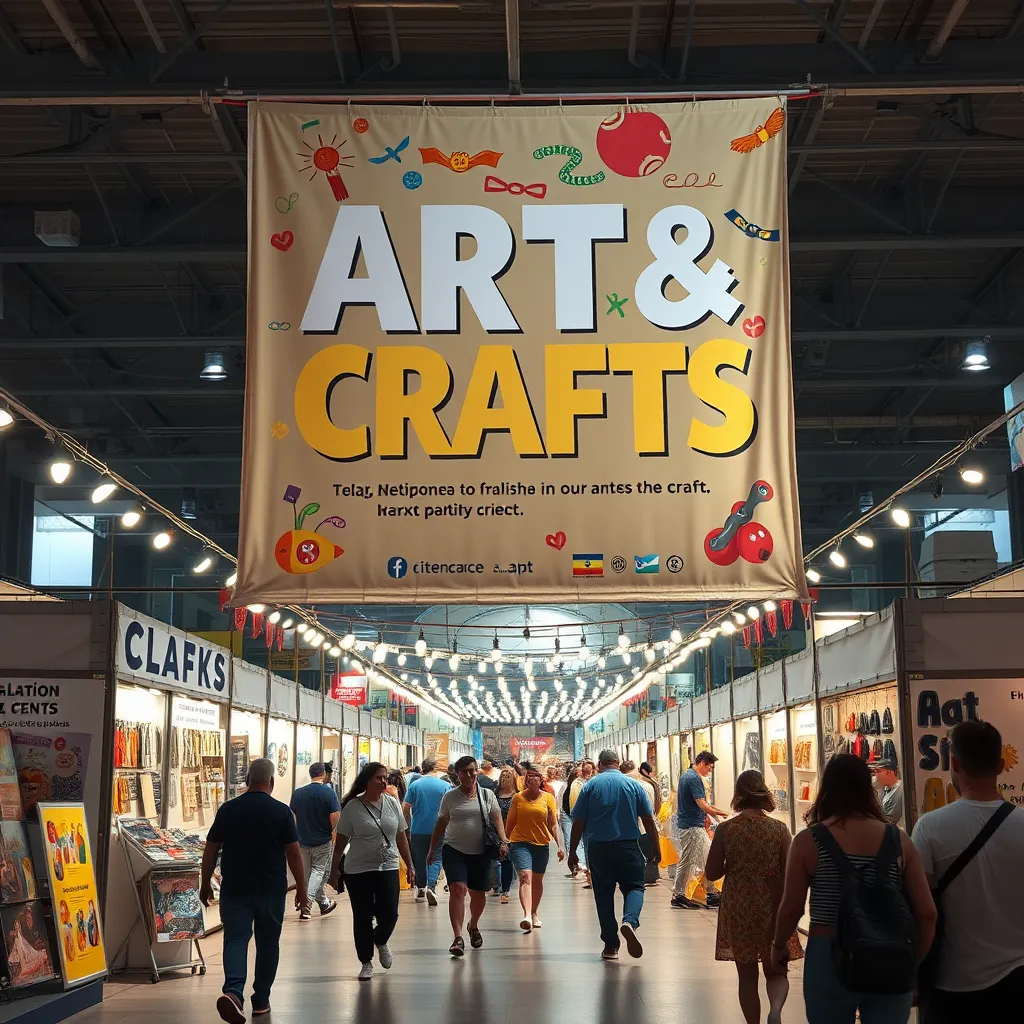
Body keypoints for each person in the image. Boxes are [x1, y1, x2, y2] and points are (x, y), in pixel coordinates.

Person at [771, 753, 936, 1024]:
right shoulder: (899, 841)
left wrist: (779, 945)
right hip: (890, 954)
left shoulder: (808, 841)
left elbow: (792, 908)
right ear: (867, 789)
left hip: (828, 953)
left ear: (827, 789)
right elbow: (927, 913)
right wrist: (914, 963)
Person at [912, 721, 1024, 1022]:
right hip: (1017, 982)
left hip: (952, 985)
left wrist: (915, 968)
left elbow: (923, 910)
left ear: (954, 763)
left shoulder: (930, 827)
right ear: (1001, 765)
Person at [201, 757, 307, 1023]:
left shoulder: (228, 809)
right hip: (271, 888)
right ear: (271, 781)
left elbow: (211, 848)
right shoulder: (281, 811)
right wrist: (302, 890)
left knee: (236, 939)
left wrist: (204, 883)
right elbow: (293, 852)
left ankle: (233, 993)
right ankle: (261, 1000)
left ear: (247, 780)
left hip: (235, 887)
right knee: (268, 943)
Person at [705, 770, 803, 1024]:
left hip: (738, 904)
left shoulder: (726, 830)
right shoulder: (779, 830)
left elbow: (712, 872)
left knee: (747, 976)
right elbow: (790, 871)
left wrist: (734, 868)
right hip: (772, 903)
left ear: (738, 795)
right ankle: (776, 1011)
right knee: (776, 969)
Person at [569, 749, 659, 961]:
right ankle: (630, 921)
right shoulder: (634, 785)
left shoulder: (590, 786)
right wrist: (656, 846)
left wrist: (573, 851)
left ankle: (611, 946)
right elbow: (648, 819)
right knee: (635, 887)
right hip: (629, 846)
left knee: (603, 895)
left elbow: (578, 821)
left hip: (599, 849)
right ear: (618, 764)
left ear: (599, 764)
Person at [330, 762, 415, 980]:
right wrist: (333, 871)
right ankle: (366, 961)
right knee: (362, 915)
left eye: (385, 777)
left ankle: (380, 939)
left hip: (388, 866)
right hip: (358, 870)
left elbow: (401, 837)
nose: (384, 781)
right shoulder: (352, 807)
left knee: (390, 914)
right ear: (367, 780)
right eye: (379, 777)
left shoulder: (393, 803)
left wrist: (410, 865)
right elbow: (340, 843)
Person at [427, 755, 510, 957]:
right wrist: (432, 848)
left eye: (473, 770)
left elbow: (497, 818)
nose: (471, 774)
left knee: (478, 895)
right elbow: (441, 824)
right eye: (466, 771)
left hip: (481, 851)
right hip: (454, 850)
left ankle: (472, 925)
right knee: (457, 889)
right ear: (458, 774)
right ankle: (457, 937)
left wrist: (504, 840)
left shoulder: (487, 794)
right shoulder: (450, 797)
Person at [507, 766, 564, 931]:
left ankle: (534, 913)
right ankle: (526, 915)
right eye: (529, 777)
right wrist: (504, 841)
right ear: (525, 782)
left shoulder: (548, 798)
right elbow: (510, 822)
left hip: (541, 844)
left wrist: (559, 845)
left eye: (535, 777)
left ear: (540, 781)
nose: (532, 780)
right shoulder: (517, 798)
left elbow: (552, 823)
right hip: (520, 842)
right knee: (525, 877)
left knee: (537, 881)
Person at [671, 751, 729, 909]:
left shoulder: (687, 776)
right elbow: (702, 804)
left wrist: (719, 812)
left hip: (691, 824)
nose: (709, 771)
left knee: (707, 858)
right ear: (702, 763)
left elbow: (704, 804)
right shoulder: (694, 778)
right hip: (692, 826)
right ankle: (679, 894)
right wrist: (717, 814)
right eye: (709, 767)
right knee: (689, 860)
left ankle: (711, 893)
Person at [288, 761, 341, 919]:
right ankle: (307, 904)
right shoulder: (329, 793)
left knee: (308, 874)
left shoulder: (298, 793)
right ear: (323, 774)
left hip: (302, 840)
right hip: (322, 840)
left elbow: (293, 816)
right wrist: (331, 830)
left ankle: (324, 903)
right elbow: (335, 815)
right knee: (318, 872)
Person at [402, 757, 450, 906]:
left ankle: (421, 887)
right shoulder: (445, 786)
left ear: (422, 769)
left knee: (420, 859)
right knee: (436, 858)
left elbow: (406, 807)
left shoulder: (414, 785)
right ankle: (431, 886)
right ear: (435, 769)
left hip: (418, 829)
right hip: (439, 829)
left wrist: (405, 826)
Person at [624, 760, 661, 886]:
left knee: (640, 851)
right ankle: (651, 876)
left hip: (638, 824)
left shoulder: (630, 786)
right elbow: (657, 804)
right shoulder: (650, 785)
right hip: (649, 822)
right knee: (650, 851)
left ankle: (642, 875)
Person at [493, 767, 518, 903]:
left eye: (508, 776)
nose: (505, 779)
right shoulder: (494, 795)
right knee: (496, 861)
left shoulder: (517, 795)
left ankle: (505, 890)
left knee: (507, 860)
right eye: (503, 776)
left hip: (513, 832)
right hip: (496, 831)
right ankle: (496, 885)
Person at [569, 759, 595, 887]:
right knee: (587, 846)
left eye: (589, 768)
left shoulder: (594, 782)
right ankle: (590, 875)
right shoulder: (577, 784)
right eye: (586, 768)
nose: (587, 771)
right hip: (585, 820)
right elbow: (574, 802)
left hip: (592, 820)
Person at [871, 759, 904, 824]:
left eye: (878, 771)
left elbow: (892, 818)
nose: (876, 775)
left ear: (890, 772)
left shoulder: (901, 790)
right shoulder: (881, 789)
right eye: (875, 772)